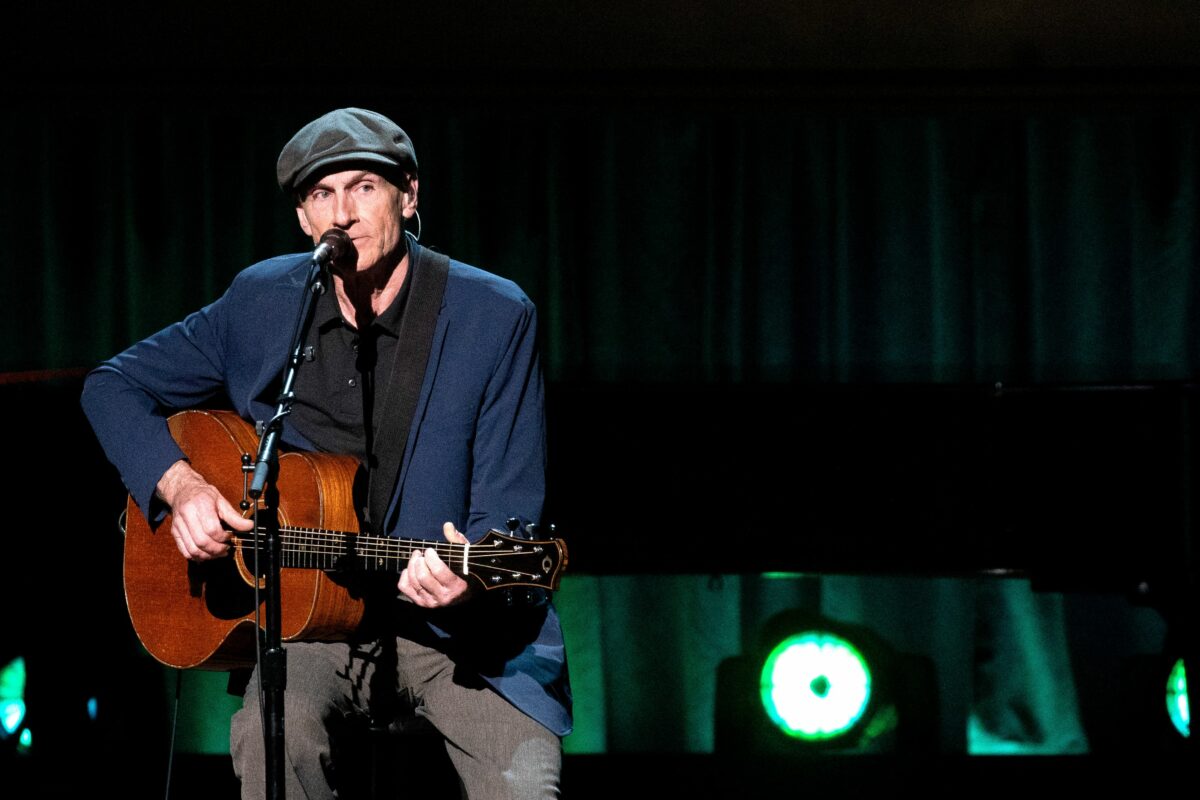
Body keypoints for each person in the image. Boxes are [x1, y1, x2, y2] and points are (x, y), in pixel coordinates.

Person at [81, 107, 571, 798]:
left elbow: (510, 505)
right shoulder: (262, 301)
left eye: (363, 187)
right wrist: (181, 485)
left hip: (462, 638)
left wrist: (469, 579)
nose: (343, 212)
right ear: (305, 220)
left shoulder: (492, 314)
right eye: (321, 195)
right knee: (268, 738)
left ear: (409, 194)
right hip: (314, 630)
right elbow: (112, 385)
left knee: (523, 783)